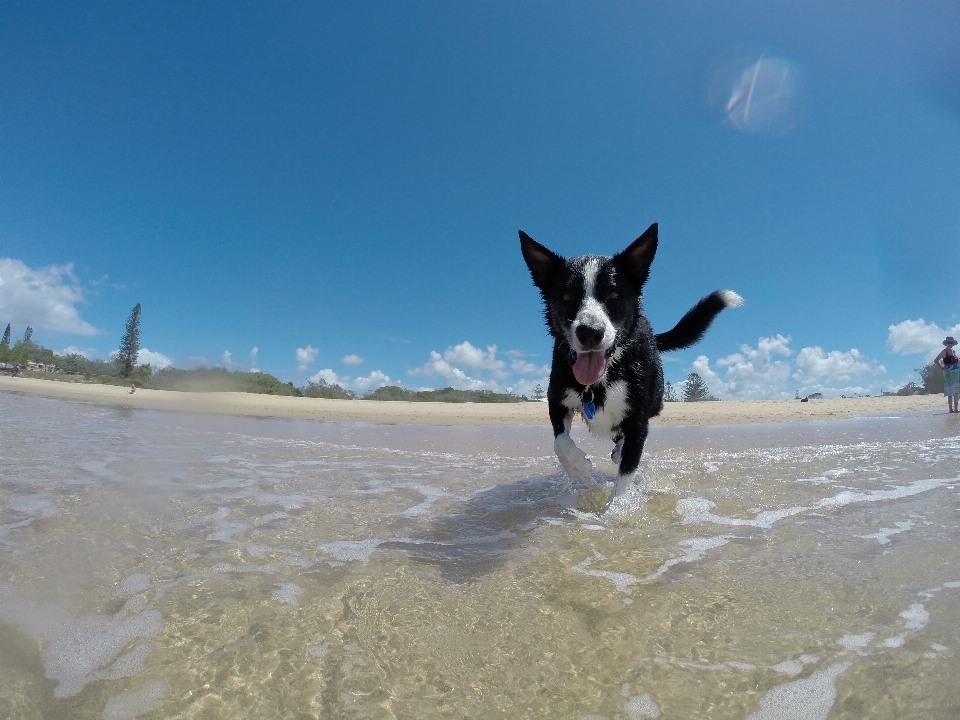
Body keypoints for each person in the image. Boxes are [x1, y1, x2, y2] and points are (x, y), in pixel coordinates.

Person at [934, 336, 960, 413]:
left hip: (956, 372)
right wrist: (942, 368)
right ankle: (950, 409)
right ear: (946, 343)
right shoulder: (944, 352)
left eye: (951, 343)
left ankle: (956, 409)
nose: (950, 344)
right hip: (949, 374)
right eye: (948, 343)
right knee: (950, 391)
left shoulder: (953, 351)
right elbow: (936, 361)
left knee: (956, 391)